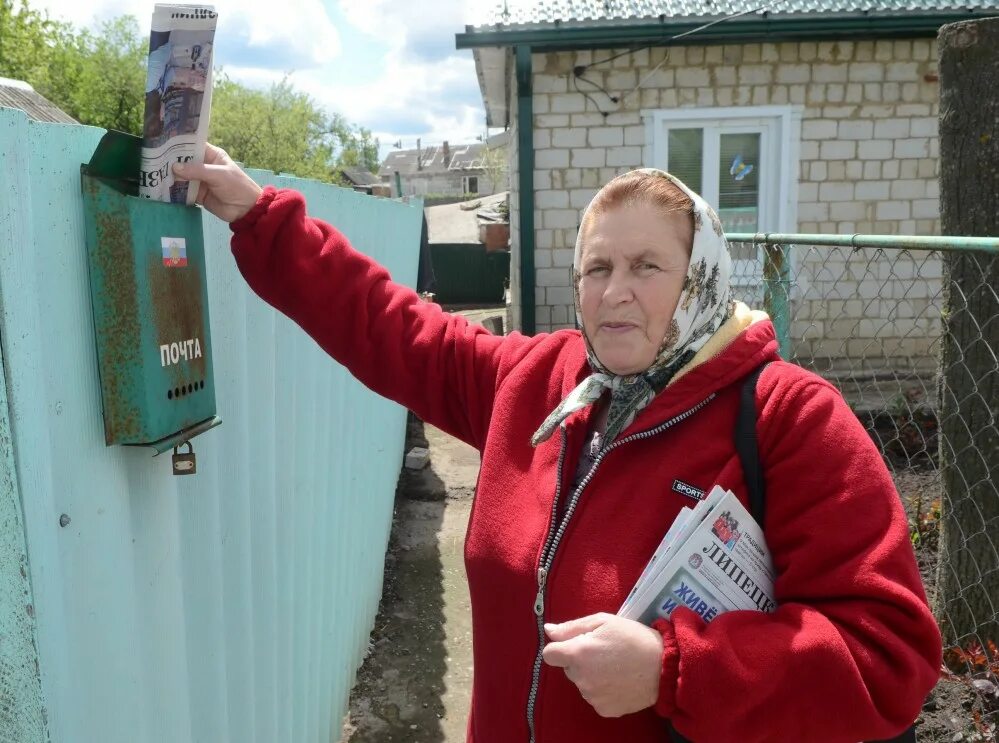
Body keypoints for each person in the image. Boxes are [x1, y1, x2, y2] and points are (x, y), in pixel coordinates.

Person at [173, 147, 942, 743]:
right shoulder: (535, 381)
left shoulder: (787, 416)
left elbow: (888, 657)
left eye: (648, 267)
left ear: (701, 278)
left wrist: (672, 669)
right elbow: (387, 326)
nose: (615, 292)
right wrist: (258, 216)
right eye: (596, 267)